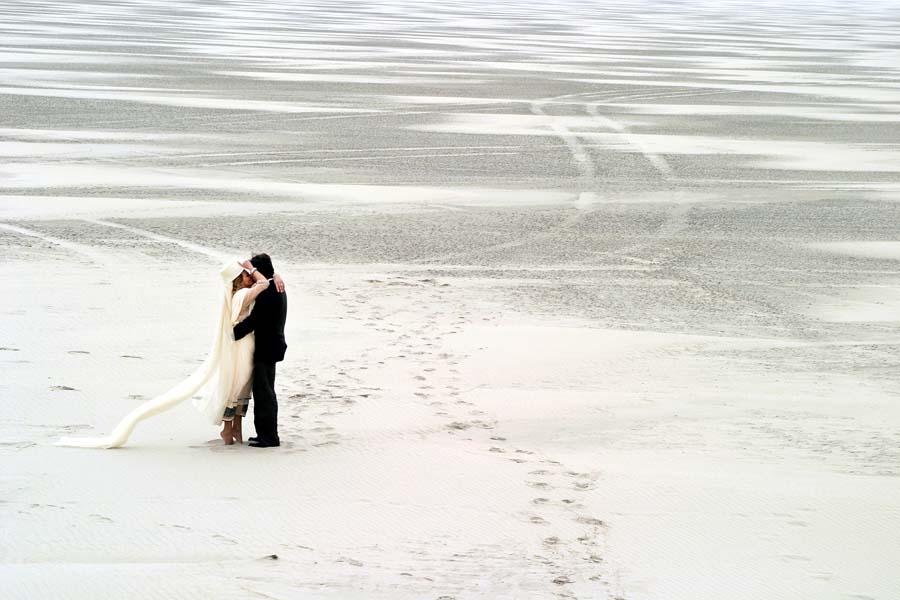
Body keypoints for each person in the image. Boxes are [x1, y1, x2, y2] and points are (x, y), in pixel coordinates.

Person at [57, 258, 280, 449]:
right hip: (241, 346)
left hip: (245, 344)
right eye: (246, 274)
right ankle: (228, 430)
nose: (250, 276)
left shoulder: (238, 293)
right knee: (236, 385)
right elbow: (263, 283)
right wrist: (256, 269)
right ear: (239, 279)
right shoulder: (241, 295)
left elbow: (263, 282)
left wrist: (272, 274)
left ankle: (235, 429)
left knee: (241, 386)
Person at [233, 253, 288, 448]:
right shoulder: (276, 286)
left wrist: (232, 333)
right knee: (266, 391)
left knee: (264, 393)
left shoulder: (268, 291)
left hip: (267, 347)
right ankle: (266, 434)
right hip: (273, 345)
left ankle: (268, 437)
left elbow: (255, 320)